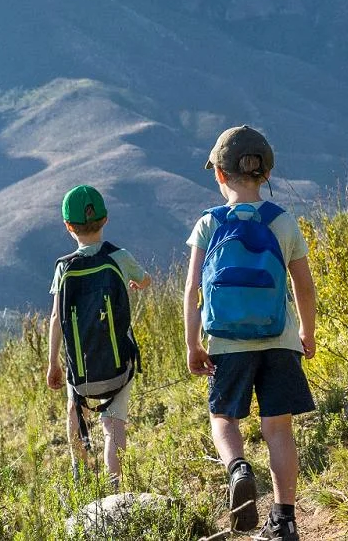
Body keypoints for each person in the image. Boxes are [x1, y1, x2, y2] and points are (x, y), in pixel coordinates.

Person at [183, 126, 317, 540]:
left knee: (222, 417)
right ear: (267, 174)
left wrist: (192, 343)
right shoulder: (283, 222)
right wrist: (306, 333)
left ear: (220, 176)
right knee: (279, 429)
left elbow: (191, 290)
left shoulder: (209, 223)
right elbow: (304, 287)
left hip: (226, 343)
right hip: (279, 340)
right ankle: (285, 520)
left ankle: (238, 468)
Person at [46, 184, 152, 488]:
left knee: (73, 409)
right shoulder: (120, 256)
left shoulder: (63, 267)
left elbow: (56, 317)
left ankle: (80, 473)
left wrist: (54, 363)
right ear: (105, 219)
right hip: (120, 366)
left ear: (68, 226)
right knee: (113, 424)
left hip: (79, 371)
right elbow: (144, 280)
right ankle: (113, 486)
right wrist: (139, 285)